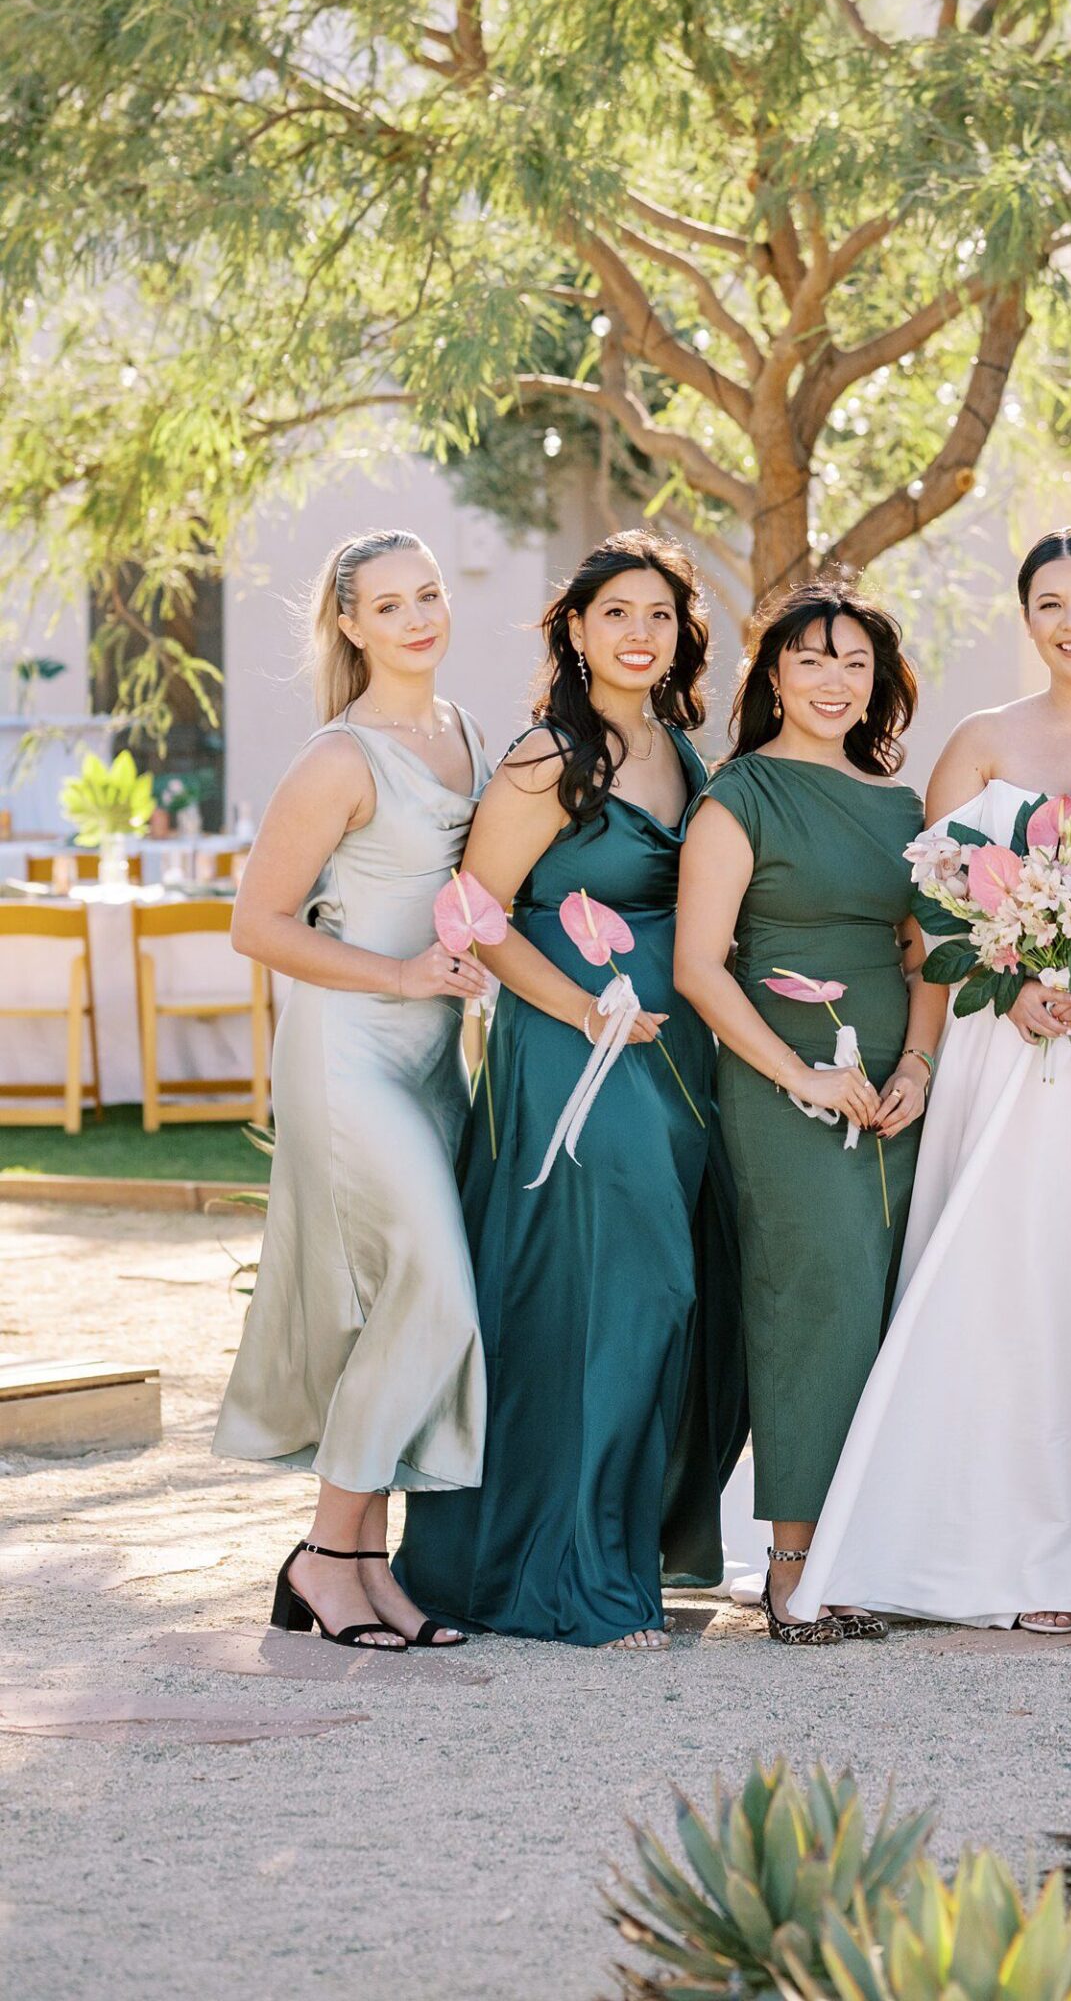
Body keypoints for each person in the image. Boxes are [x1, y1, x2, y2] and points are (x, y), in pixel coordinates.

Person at [788, 530, 1071, 1653]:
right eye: (1050, 601)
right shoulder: (982, 742)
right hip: (1015, 1046)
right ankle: (996, 1544)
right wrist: (1016, 979)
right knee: (1013, 1286)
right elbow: (933, 910)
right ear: (1026, 617)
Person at [394, 532, 746, 1650]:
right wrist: (580, 1009)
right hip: (575, 1059)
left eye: (659, 616)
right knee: (613, 1298)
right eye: (617, 615)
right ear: (576, 630)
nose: (640, 634)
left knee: (660, 1297)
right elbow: (477, 912)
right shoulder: (549, 755)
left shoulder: (679, 747)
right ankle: (576, 1582)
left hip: (677, 1049)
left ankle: (613, 1552)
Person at [216, 530, 488, 1651]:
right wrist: (401, 973)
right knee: (437, 1284)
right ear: (351, 624)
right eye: (391, 603)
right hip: (345, 1048)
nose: (419, 616)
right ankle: (331, 1552)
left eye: (429, 594)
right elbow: (255, 923)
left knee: (402, 1300)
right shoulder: (339, 756)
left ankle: (358, 1562)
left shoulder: (467, 732)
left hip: (435, 1049)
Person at [674, 581, 939, 1645]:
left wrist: (919, 1062)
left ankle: (865, 1548)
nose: (836, 681)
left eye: (856, 664)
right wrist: (801, 1074)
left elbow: (929, 952)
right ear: (773, 674)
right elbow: (699, 966)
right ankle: (792, 1562)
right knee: (811, 1299)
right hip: (786, 1079)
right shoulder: (739, 798)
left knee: (888, 1306)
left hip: (896, 1079)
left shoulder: (902, 805)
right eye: (814, 660)